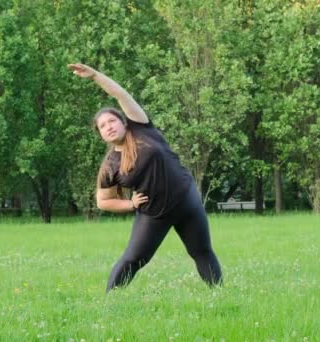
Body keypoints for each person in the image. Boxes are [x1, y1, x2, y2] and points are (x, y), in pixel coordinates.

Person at [67, 63, 223, 292]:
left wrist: (96, 76)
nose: (108, 127)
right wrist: (130, 204)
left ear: (123, 122)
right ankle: (109, 301)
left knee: (201, 251)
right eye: (102, 126)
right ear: (100, 135)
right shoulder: (110, 166)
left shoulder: (141, 127)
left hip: (185, 200)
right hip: (154, 213)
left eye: (112, 121)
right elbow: (103, 201)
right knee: (133, 259)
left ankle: (220, 296)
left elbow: (120, 94)